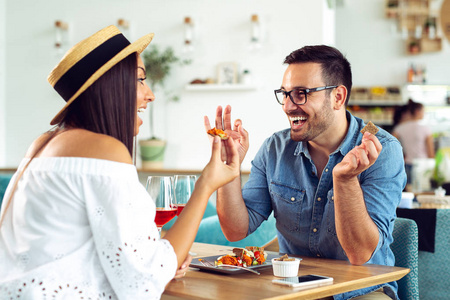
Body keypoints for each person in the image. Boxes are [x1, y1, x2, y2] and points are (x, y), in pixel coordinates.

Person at [0, 25, 239, 299]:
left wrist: (159, 260)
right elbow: (143, 283)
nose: (150, 94)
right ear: (110, 87)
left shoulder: (43, 143)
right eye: (139, 80)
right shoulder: (103, 149)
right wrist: (207, 183)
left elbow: (87, 257)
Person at [205, 45, 406, 300]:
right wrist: (228, 167)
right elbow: (235, 230)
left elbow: (360, 254)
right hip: (292, 290)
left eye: (301, 94)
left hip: (361, 291)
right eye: (285, 94)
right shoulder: (274, 149)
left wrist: (344, 180)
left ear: (338, 97)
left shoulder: (382, 151)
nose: (288, 106)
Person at [392, 99, 434, 186]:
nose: (424, 114)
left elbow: (392, 147)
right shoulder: (426, 128)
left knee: (409, 190)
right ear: (417, 111)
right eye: (423, 111)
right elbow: (431, 152)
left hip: (407, 164)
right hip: (423, 165)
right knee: (423, 190)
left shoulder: (399, 128)